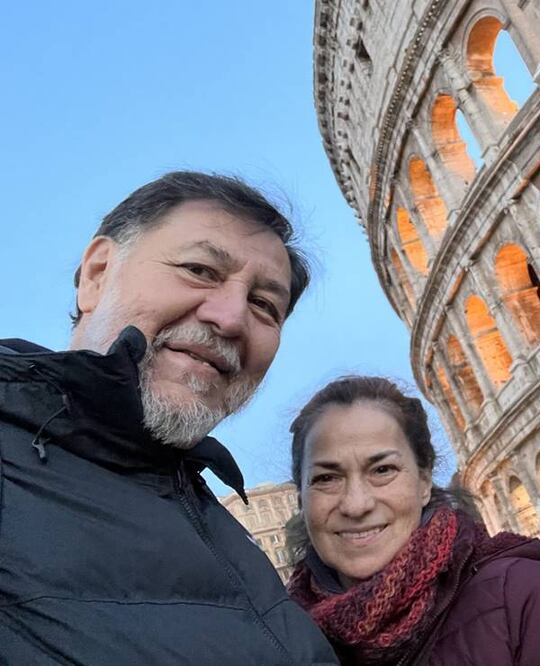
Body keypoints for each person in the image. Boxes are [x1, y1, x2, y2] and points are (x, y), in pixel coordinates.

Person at [0, 172, 336, 663]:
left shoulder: (219, 528)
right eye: (199, 269)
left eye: (264, 305)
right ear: (96, 275)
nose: (230, 318)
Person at [285, 376, 540, 664]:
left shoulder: (524, 595)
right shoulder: (279, 638)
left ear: (424, 482)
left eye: (382, 470)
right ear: (301, 497)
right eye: (326, 478)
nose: (356, 504)